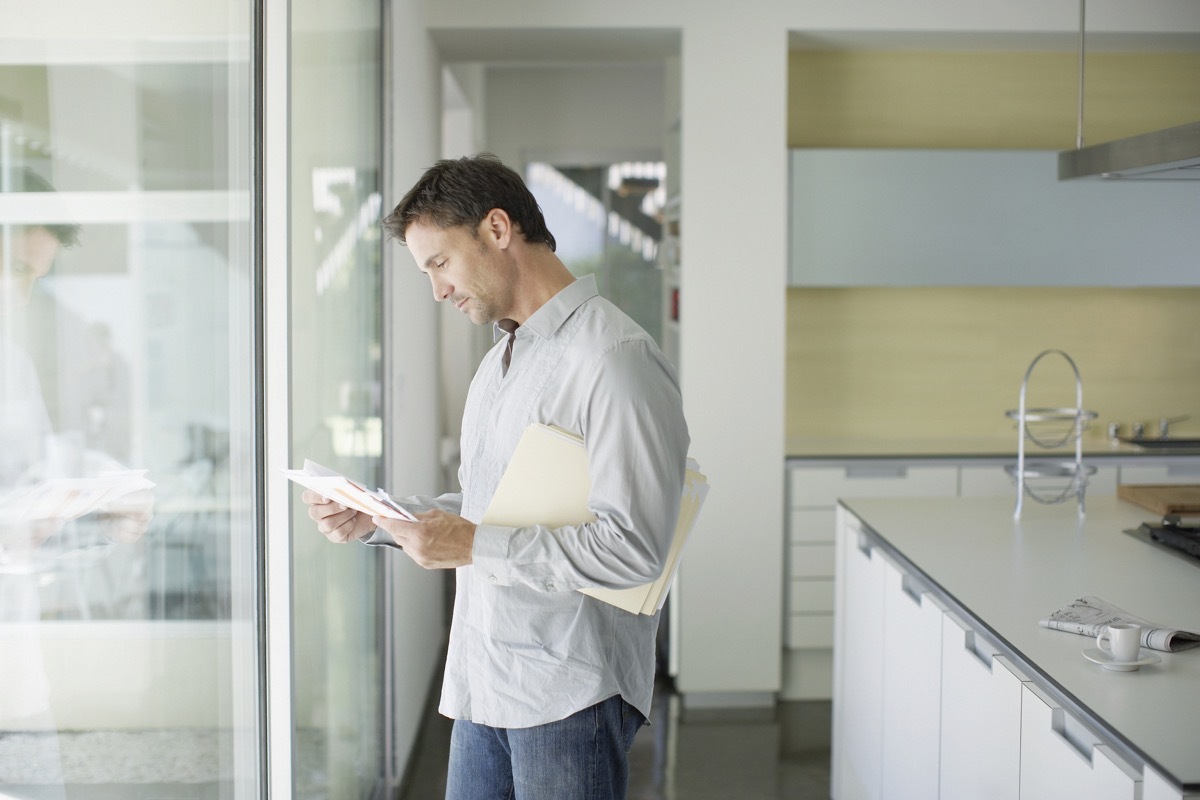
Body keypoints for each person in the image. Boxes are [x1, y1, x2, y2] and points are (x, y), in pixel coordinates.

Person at [303, 153, 690, 800]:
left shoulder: (615, 361)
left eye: (440, 263)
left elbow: (637, 549)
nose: (437, 289)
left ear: (498, 229)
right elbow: (493, 504)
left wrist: (472, 544)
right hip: (484, 680)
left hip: (569, 693)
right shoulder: (502, 359)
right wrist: (383, 518)